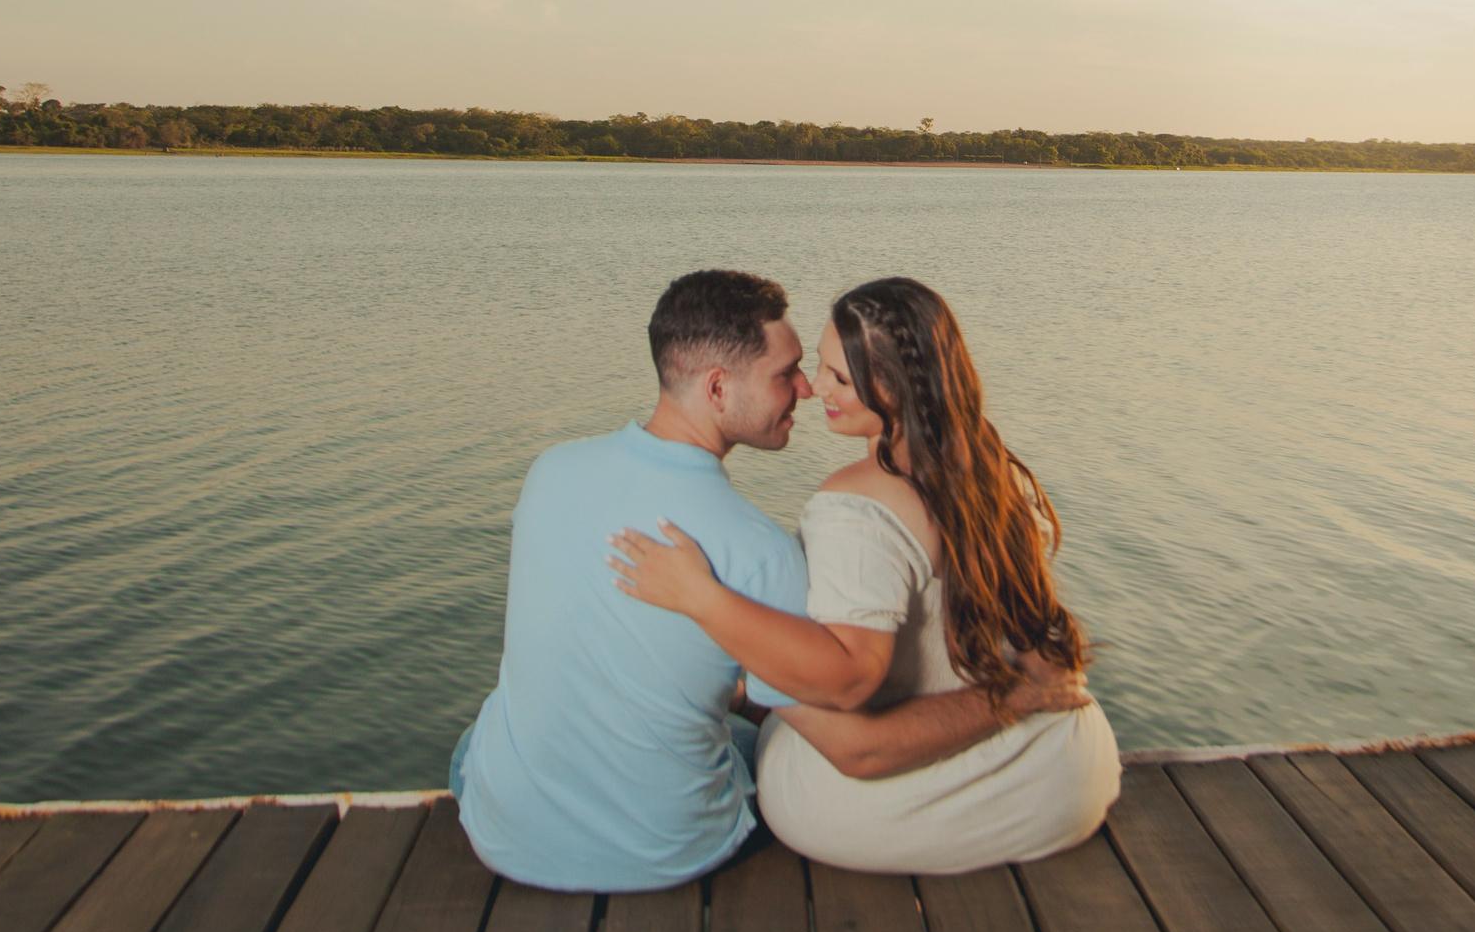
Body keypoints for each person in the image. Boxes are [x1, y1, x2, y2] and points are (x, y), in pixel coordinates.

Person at [450, 269, 1089, 893]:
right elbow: (849, 702)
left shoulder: (549, 472)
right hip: (668, 852)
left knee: (485, 735)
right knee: (744, 737)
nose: (808, 390)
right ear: (719, 388)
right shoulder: (761, 551)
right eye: (787, 374)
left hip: (501, 834)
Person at [611, 276, 1119, 874]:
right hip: (1066, 776)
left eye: (838, 377)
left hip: (904, 801)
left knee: (759, 741)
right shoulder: (996, 475)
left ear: (894, 388)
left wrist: (703, 600)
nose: (811, 388)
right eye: (817, 367)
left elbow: (860, 743)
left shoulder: (854, 510)